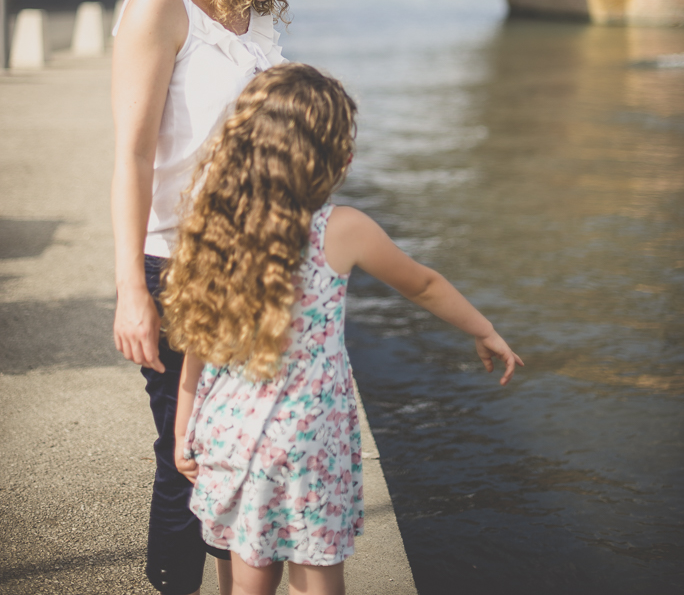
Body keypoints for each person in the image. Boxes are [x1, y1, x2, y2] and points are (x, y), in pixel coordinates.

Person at [163, 63, 524, 595]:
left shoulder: (216, 225)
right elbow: (422, 285)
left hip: (229, 432)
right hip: (306, 439)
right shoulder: (343, 229)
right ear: (336, 160)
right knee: (317, 579)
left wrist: (183, 430)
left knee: (247, 579)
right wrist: (484, 327)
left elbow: (199, 342)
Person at [111, 0, 340, 595]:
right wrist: (131, 291)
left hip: (262, 267)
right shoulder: (161, 3)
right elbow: (133, 156)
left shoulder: (253, 10)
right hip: (179, 263)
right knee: (188, 458)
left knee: (244, 455)